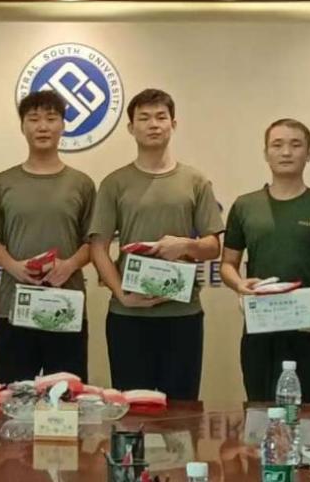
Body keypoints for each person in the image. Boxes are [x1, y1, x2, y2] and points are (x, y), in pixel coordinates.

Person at [88, 88, 224, 400]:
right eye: (144, 118)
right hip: (128, 317)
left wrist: (185, 245)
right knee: (132, 409)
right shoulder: (114, 183)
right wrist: (122, 295)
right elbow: (98, 247)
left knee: (181, 410)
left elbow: (212, 246)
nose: (153, 124)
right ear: (131, 127)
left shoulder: (195, 180)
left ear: (173, 124)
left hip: (183, 314)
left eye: (161, 117)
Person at [220, 118, 310, 403]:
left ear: (308, 154)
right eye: (277, 145)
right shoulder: (245, 205)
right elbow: (227, 264)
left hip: (309, 327)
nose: (286, 152)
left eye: (295, 145)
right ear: (266, 153)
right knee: (260, 410)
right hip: (260, 325)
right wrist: (239, 284)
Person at [0, 90, 96, 383]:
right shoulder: (2, 183)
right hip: (14, 307)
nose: (43, 126)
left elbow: (92, 242)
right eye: (34, 119)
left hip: (66, 307)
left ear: (63, 125)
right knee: (13, 397)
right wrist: (14, 267)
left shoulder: (82, 184)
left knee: (67, 397)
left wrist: (69, 266)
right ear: (22, 126)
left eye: (51, 118)